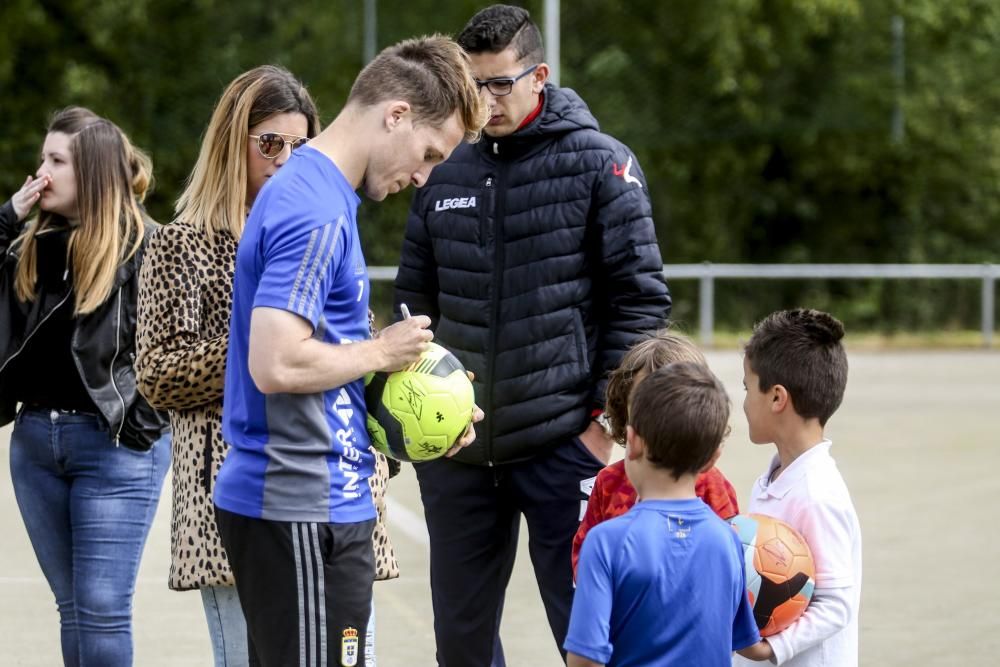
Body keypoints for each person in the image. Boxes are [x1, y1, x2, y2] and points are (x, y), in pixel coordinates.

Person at [392, 5, 670, 664]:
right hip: (456, 456)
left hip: (563, 448)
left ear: (539, 75)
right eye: (472, 85)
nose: (485, 102)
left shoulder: (603, 166)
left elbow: (639, 304)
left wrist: (601, 425)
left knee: (591, 642)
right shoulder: (441, 170)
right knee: (461, 648)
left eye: (500, 84)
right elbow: (413, 303)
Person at [211, 35, 487, 667]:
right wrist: (383, 352)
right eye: (427, 153)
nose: (423, 176)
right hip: (297, 506)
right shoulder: (313, 209)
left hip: (325, 501)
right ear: (395, 114)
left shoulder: (325, 197)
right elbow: (276, 363)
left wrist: (429, 412)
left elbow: (324, 361)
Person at [0, 107, 170, 665]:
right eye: (41, 158)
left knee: (100, 608)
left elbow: (177, 343)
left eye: (55, 161)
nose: (40, 173)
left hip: (113, 445)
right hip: (34, 446)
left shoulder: (149, 247)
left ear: (93, 171)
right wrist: (7, 216)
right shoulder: (30, 245)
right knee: (72, 606)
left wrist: (143, 426)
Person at [565, 362, 760, 666]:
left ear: (632, 441)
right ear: (712, 457)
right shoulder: (728, 541)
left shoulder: (604, 543)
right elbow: (740, 645)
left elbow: (584, 660)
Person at [734, 309, 862, 666]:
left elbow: (837, 604)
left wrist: (771, 649)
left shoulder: (818, 494)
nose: (743, 402)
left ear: (777, 398)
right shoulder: (774, 479)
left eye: (747, 388)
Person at [571, 328, 740, 579]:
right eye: (644, 405)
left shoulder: (712, 485)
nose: (657, 419)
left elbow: (733, 563)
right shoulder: (608, 483)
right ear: (624, 407)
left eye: (672, 406)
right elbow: (584, 559)